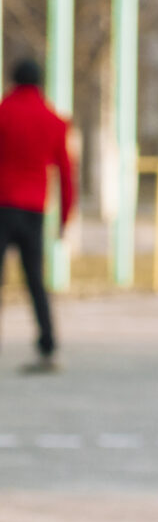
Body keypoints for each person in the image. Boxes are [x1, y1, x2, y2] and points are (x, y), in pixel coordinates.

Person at [0, 56, 74, 373]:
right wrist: (64, 218)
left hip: (2, 205)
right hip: (34, 209)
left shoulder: (3, 113)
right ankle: (47, 345)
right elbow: (66, 174)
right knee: (34, 280)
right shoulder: (53, 120)